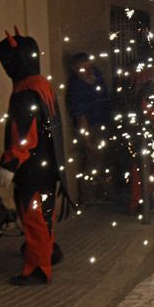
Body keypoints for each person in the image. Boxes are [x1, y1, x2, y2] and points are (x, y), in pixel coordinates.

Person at [0, 27, 71, 286]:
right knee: (42, 217)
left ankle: (38, 268)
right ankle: (46, 253)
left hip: (32, 168)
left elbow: (25, 132)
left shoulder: (27, 89)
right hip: (46, 167)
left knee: (35, 218)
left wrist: (11, 162)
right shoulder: (41, 83)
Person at [65, 52, 111, 203]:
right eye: (83, 69)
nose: (87, 70)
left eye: (88, 66)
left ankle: (100, 193)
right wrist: (86, 138)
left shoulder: (96, 74)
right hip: (91, 126)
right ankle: (88, 196)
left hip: (102, 122)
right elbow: (81, 116)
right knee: (92, 160)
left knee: (102, 160)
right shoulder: (76, 86)